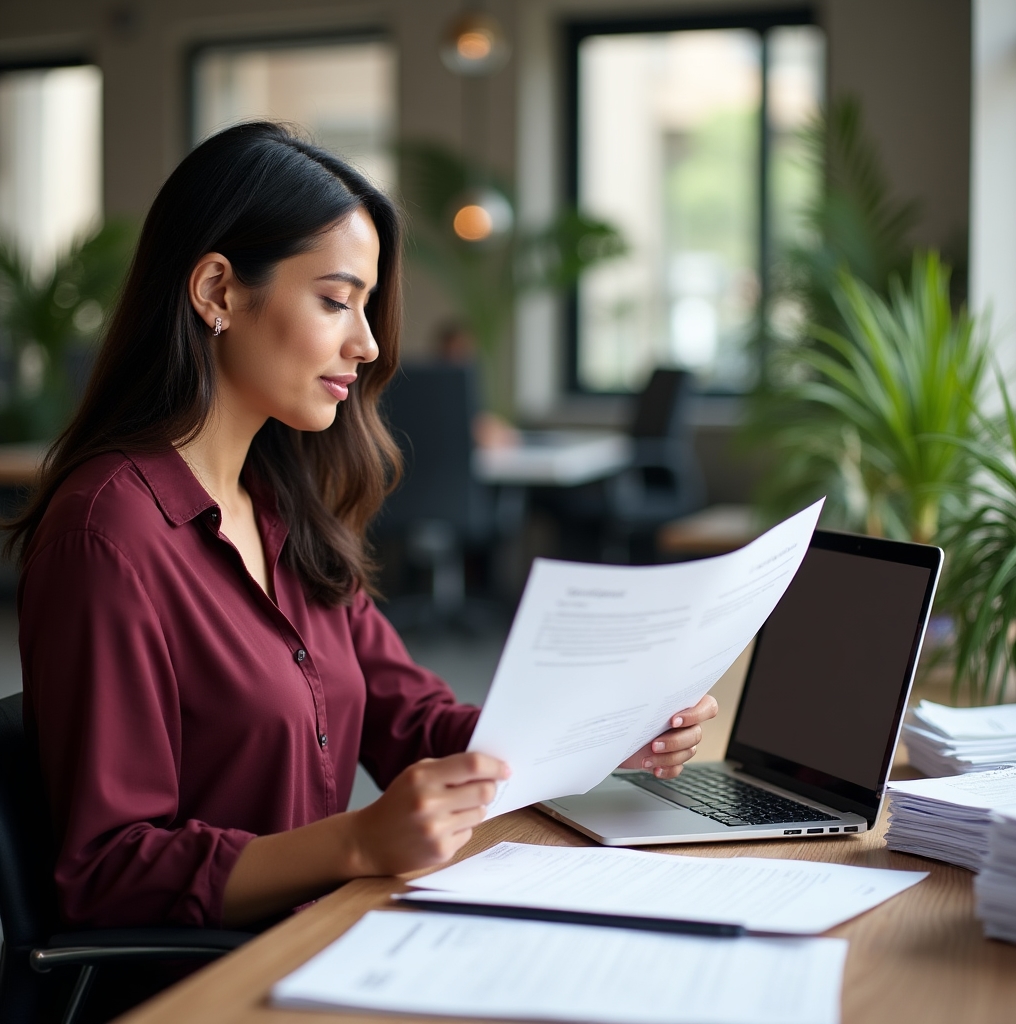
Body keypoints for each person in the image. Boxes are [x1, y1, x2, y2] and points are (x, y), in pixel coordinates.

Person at [11, 123, 718, 934]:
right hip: (215, 980)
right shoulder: (108, 536)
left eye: (367, 306)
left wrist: (603, 732)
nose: (370, 342)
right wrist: (352, 843)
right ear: (216, 292)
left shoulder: (281, 501)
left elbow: (409, 724)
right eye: (335, 300)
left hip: (331, 933)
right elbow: (106, 872)